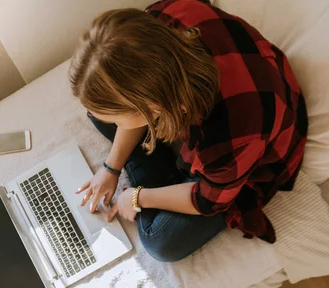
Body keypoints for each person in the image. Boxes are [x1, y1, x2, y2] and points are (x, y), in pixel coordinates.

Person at [70, 0, 307, 262]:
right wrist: (111, 167)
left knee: (160, 240)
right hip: (196, 98)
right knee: (97, 112)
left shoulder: (232, 134)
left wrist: (137, 197)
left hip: (242, 151)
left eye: (120, 120)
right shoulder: (158, 18)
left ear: (154, 106)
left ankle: (154, 170)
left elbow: (208, 200)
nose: (115, 124)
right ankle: (150, 161)